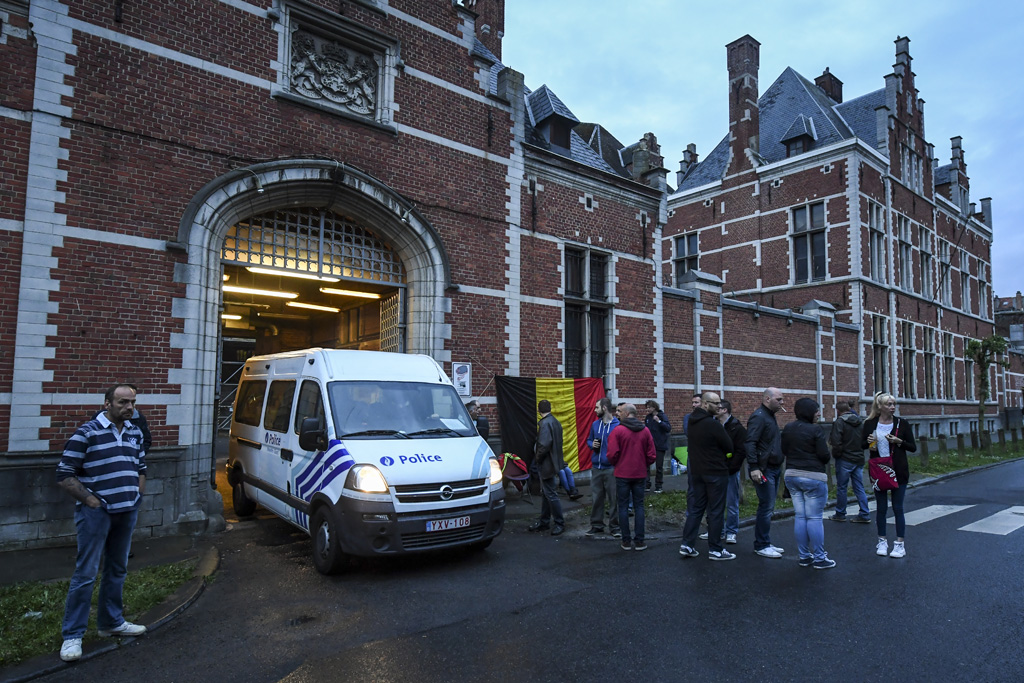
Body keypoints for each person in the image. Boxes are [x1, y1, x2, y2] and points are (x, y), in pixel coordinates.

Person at [56, 384, 148, 662]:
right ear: (107, 403)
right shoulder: (87, 433)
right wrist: (92, 502)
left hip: (127, 511)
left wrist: (136, 497)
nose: (129, 407)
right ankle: (72, 636)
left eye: (131, 402)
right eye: (122, 402)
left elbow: (141, 468)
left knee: (117, 569)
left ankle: (111, 622)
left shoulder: (135, 432)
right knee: (86, 573)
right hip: (97, 514)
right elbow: (64, 473)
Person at [679, 392, 736, 561]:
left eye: (720, 403)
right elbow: (729, 446)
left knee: (696, 509)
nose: (719, 407)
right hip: (715, 473)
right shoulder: (713, 424)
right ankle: (716, 549)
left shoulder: (691, 421)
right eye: (715, 403)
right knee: (716, 511)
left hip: (697, 472)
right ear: (705, 404)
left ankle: (687, 544)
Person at [782, 398, 835, 569]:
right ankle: (820, 558)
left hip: (791, 475)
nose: (819, 413)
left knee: (800, 516)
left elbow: (783, 450)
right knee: (814, 517)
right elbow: (825, 455)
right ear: (809, 412)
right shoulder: (815, 430)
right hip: (813, 477)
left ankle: (804, 556)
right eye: (816, 410)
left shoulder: (788, 428)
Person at [862, 392, 916, 559]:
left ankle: (900, 544)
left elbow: (912, 447)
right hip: (879, 470)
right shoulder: (870, 423)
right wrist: (871, 444)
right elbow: (863, 445)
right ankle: (882, 541)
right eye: (888, 404)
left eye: (893, 404)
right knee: (881, 507)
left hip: (898, 470)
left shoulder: (902, 423)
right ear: (880, 406)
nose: (892, 407)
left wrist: (899, 442)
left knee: (898, 507)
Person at [606, 403, 656, 551]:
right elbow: (652, 455)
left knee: (623, 506)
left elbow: (611, 454)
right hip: (640, 473)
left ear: (627, 414)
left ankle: (626, 541)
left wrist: (618, 463)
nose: (617, 414)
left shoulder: (618, 431)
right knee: (639, 506)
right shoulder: (645, 431)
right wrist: (642, 463)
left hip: (622, 474)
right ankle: (640, 541)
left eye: (619, 411)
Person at [745, 387, 787, 558]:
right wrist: (754, 466)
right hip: (764, 469)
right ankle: (761, 544)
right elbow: (750, 442)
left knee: (768, 507)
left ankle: (765, 542)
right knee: (766, 507)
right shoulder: (759, 417)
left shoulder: (769, 416)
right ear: (767, 399)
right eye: (779, 399)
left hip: (774, 468)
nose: (782, 403)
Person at [528, 400, 566, 536]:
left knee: (550, 494)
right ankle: (544, 522)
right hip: (553, 462)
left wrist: (537, 459)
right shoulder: (555, 422)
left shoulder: (545, 423)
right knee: (547, 493)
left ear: (539, 411)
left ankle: (559, 523)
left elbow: (543, 445)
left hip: (546, 464)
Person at [829, 400, 871, 523]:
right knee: (859, 487)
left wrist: (837, 455)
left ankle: (840, 513)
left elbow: (836, 441)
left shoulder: (839, 422)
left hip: (845, 459)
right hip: (859, 458)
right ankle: (864, 513)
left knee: (842, 487)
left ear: (838, 411)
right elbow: (865, 440)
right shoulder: (860, 422)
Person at [585, 398, 621, 537]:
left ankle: (614, 527)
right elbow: (589, 440)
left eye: (597, 407)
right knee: (596, 498)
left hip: (612, 468)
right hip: (596, 467)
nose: (595, 410)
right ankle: (597, 525)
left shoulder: (618, 426)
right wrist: (591, 444)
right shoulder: (595, 425)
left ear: (604, 408)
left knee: (614, 499)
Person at [719, 399, 746, 545]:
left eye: (718, 408)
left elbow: (741, 451)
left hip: (730, 470)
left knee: (732, 502)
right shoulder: (715, 425)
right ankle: (719, 530)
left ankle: (731, 531)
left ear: (725, 410)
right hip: (717, 470)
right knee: (717, 502)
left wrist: (732, 468)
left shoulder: (736, 427)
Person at [644, 400, 672, 492]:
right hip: (649, 445)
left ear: (654, 408)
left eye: (649, 407)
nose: (647, 409)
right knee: (646, 465)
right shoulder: (648, 418)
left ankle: (659, 485)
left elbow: (668, 428)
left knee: (659, 466)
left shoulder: (662, 416)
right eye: (647, 407)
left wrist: (659, 421)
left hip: (660, 445)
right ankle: (647, 484)